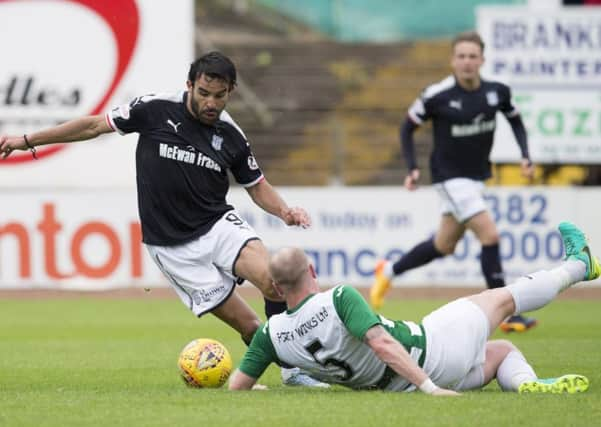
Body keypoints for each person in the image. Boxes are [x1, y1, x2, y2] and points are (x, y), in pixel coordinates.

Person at [0, 51, 326, 387]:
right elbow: (94, 125)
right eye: (203, 93)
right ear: (189, 86)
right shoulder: (154, 109)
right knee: (250, 328)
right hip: (171, 247)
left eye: (220, 95)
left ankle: (294, 371)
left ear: (232, 91)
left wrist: (285, 211)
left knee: (273, 282)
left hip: (217, 225)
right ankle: (279, 363)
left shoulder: (231, 136)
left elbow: (257, 187)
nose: (211, 103)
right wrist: (27, 141)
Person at [229, 221, 597, 394]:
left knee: (502, 351)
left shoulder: (269, 335)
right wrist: (430, 388)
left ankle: (529, 384)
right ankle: (580, 264)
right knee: (502, 298)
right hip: (431, 354)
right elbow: (382, 343)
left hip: (395, 387)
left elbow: (237, 387)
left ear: (274, 287)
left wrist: (257, 389)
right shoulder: (338, 297)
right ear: (311, 270)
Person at [369, 31, 537, 333]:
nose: (467, 62)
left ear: (482, 60)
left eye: (473, 56)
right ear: (452, 60)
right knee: (490, 235)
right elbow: (407, 128)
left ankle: (389, 270)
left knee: (444, 245)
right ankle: (506, 315)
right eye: (461, 56)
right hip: (449, 177)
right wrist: (412, 167)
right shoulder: (436, 95)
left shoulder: (497, 92)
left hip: (476, 177)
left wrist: (525, 154)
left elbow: (514, 119)